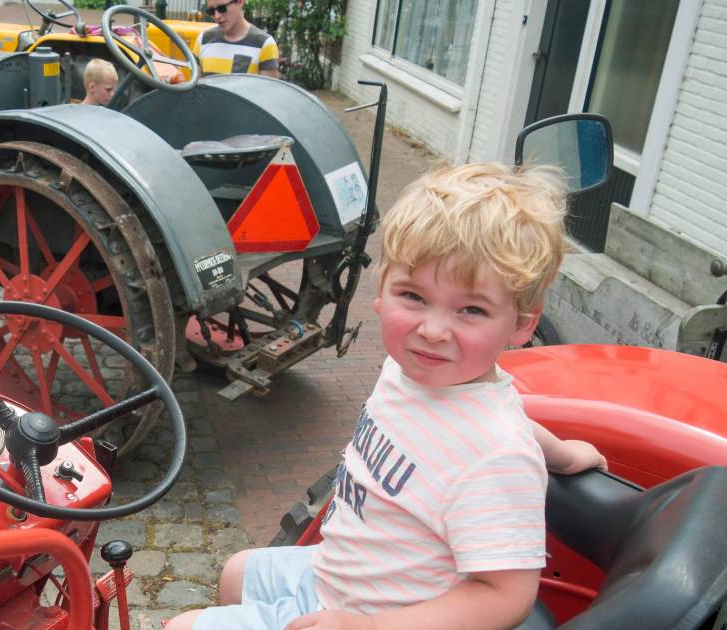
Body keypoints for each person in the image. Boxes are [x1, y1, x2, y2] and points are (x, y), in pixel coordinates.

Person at [167, 163, 608, 630]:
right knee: (238, 572)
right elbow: (503, 426)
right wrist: (562, 454)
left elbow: (505, 595)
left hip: (385, 614)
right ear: (381, 291)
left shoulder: (499, 457)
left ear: (522, 324)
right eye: (414, 297)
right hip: (342, 571)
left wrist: (368, 628)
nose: (432, 331)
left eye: (471, 309)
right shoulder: (412, 370)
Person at [192, 0, 278, 77]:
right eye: (211, 11)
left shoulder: (264, 43)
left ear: (240, 2)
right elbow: (195, 89)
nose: (217, 16)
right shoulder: (203, 39)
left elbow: (268, 92)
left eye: (222, 8)